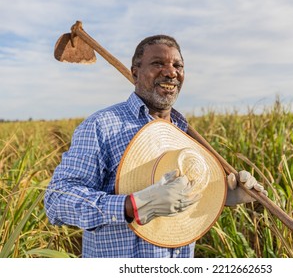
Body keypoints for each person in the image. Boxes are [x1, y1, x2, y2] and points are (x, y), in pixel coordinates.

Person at [44, 34, 267, 258]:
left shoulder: (185, 134)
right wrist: (134, 205)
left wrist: (222, 195)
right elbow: (57, 199)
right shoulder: (101, 126)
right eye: (158, 63)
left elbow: (185, 202)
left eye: (177, 65)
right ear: (135, 72)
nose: (171, 72)